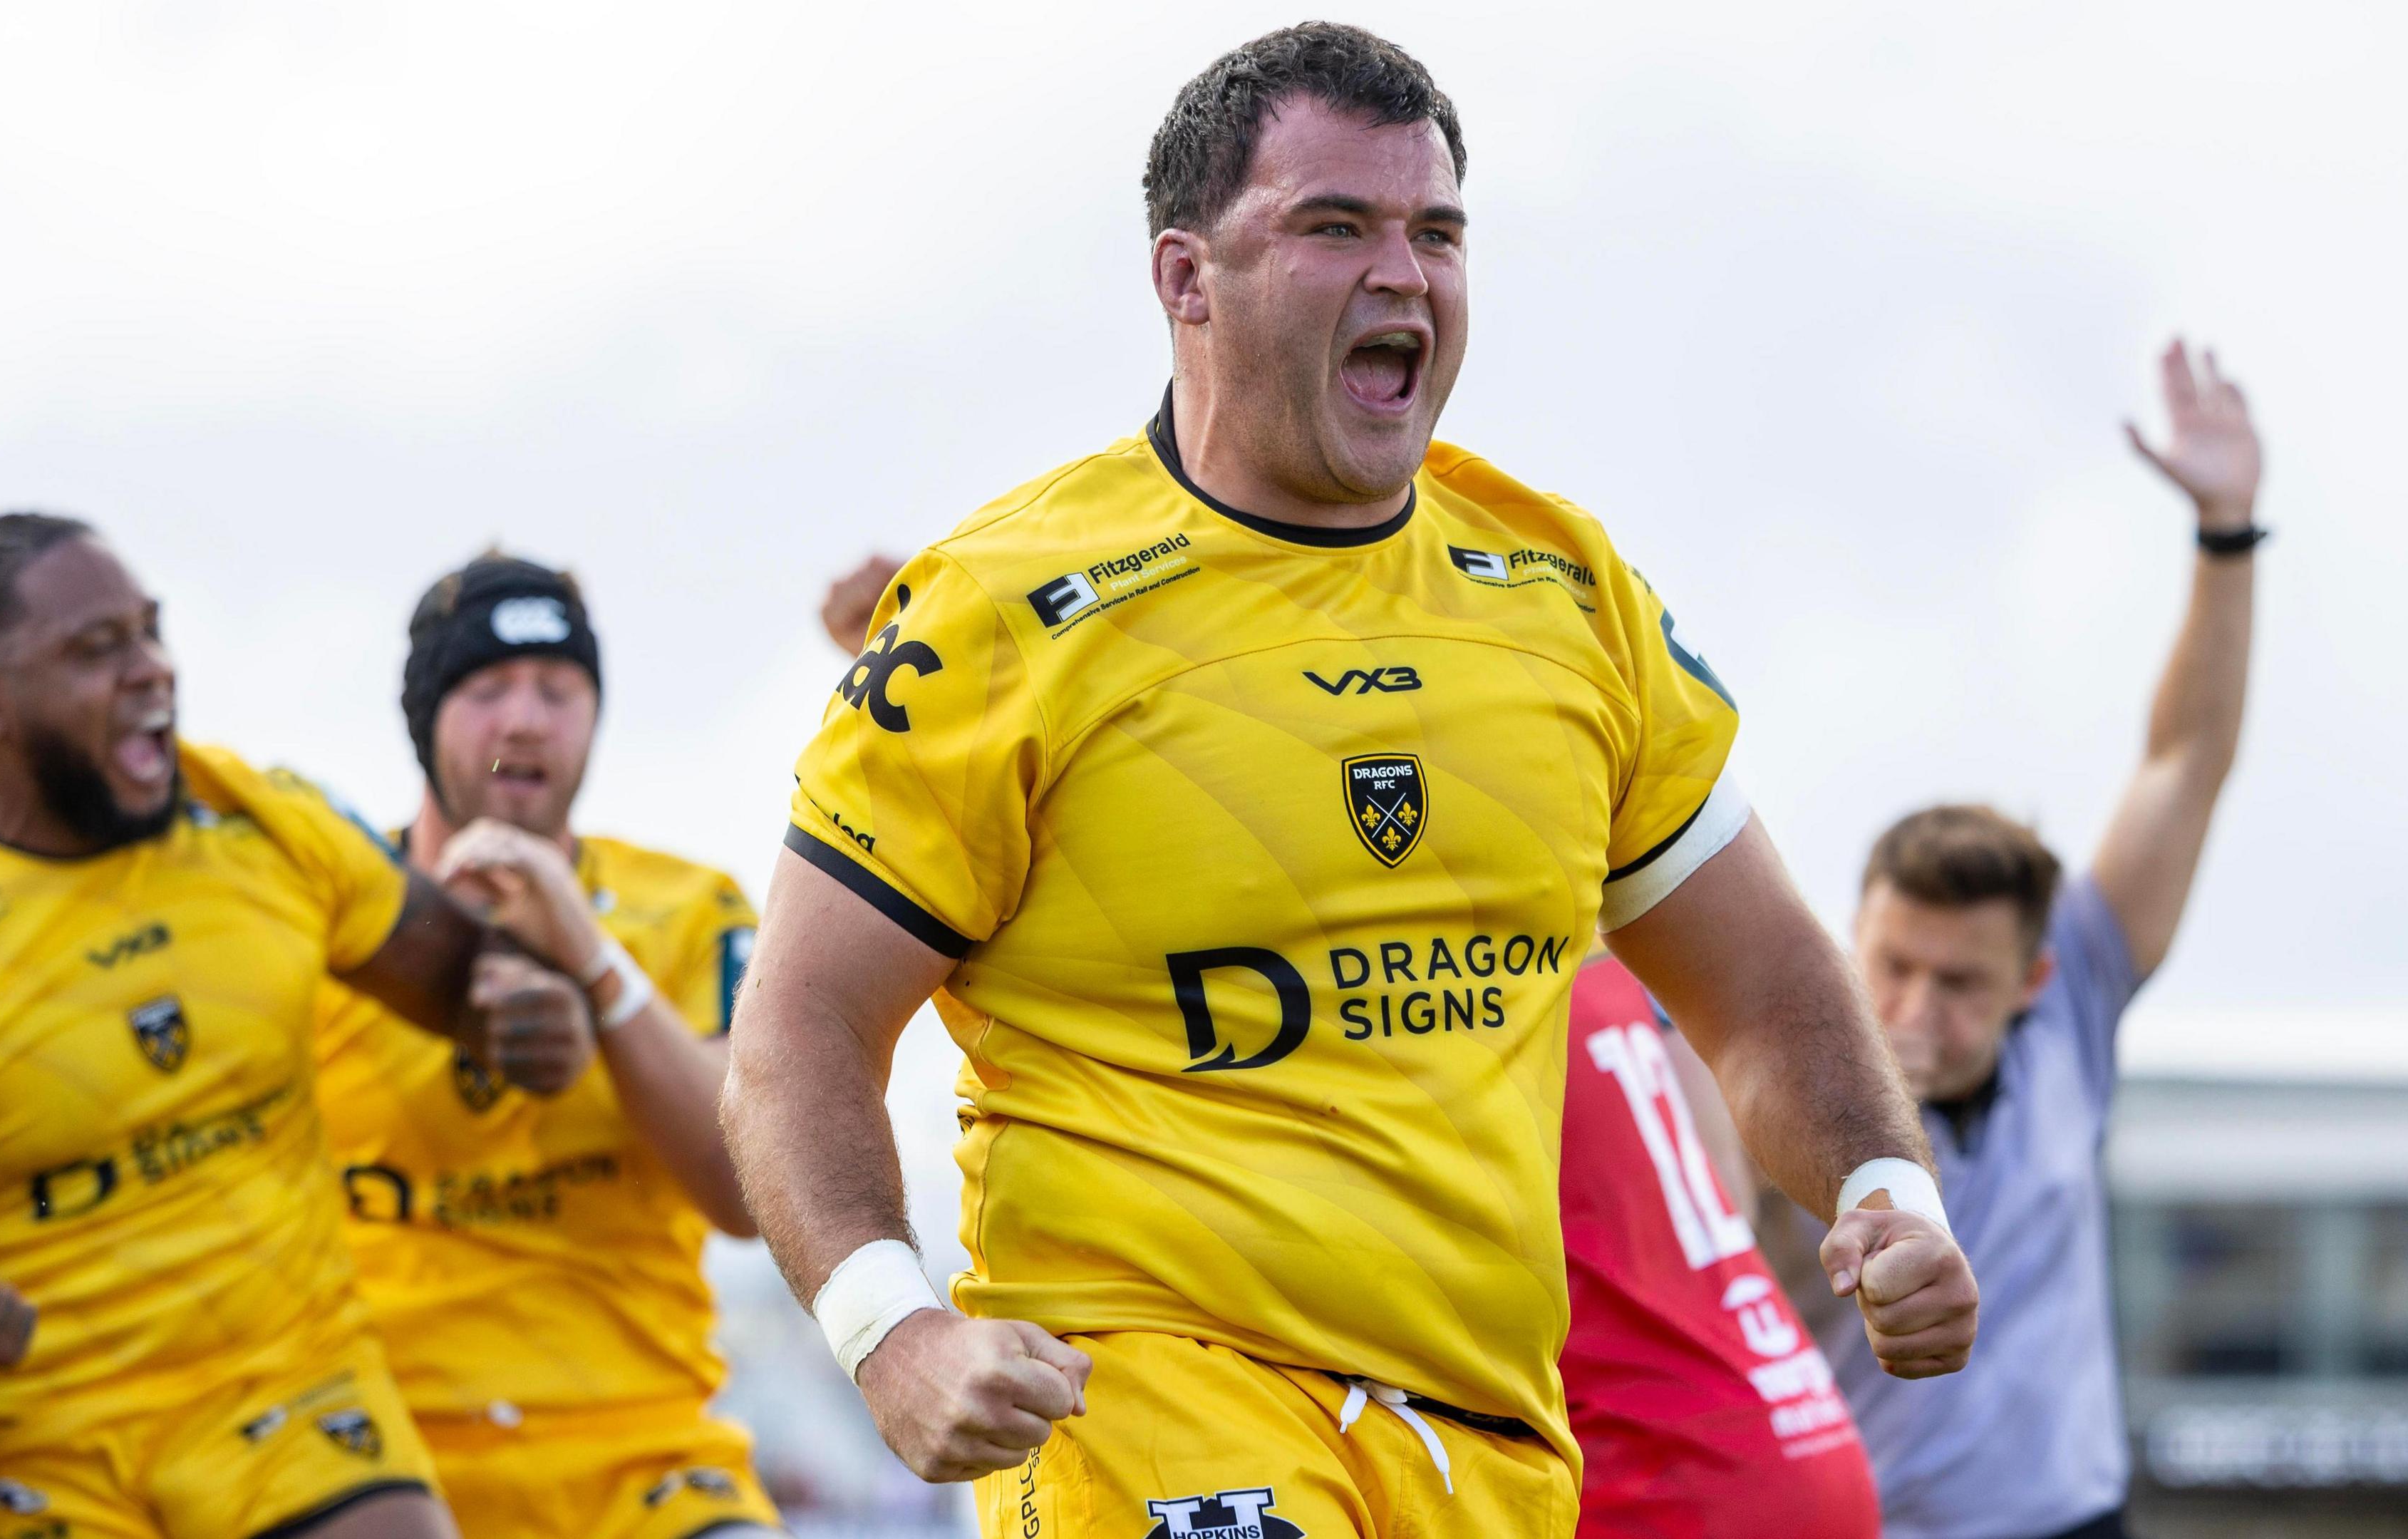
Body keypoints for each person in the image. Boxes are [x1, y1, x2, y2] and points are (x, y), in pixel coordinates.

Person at [729, 24, 1977, 1539]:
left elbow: (1768, 979)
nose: (1407, 275)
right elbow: (797, 1015)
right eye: (1336, 226)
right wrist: (888, 1321)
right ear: (1187, 277)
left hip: (1490, 1441)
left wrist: (1882, 1195)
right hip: (1152, 1404)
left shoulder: (1563, 586)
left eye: (1437, 232)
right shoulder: (1002, 606)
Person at [825, 567, 1885, 1538]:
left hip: (1663, 1473)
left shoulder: (1415, 1024)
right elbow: (1732, 1176)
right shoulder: (1584, 962)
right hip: (1789, 1425)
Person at [0, 513, 595, 1539]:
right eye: (96, 648)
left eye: (151, 631)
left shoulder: (263, 821)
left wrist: (533, 1010)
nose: (151, 669)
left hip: (281, 1390)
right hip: (28, 1436)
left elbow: (475, 976)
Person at [1809, 341, 2263, 1539]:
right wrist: (1856, 1127)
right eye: (1891, 963)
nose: (1913, 1005)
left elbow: (2187, 762)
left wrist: (2227, 535)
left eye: (1960, 980)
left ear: (2035, 977)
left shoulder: (2078, 1003)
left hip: (2073, 1519)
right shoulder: (1785, 1063)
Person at [312, 552, 783, 1538]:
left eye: (560, 690)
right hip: (372, 1459)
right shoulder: (333, 916)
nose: (526, 718)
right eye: (487, 688)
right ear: (425, 717)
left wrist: (591, 954)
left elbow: (749, 1195)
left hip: (641, 1462)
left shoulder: (689, 907)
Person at [1562, 950, 1879, 1538]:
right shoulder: (1616, 960)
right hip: (1798, 1429)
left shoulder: (1430, 1001)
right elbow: (1730, 1189)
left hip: (1666, 1478)